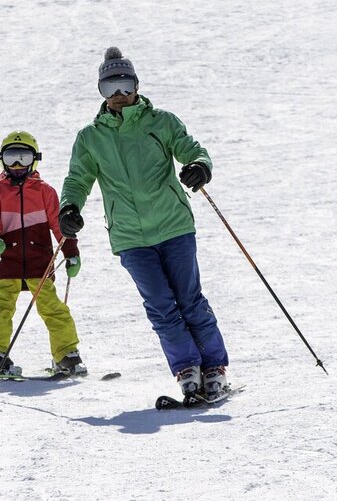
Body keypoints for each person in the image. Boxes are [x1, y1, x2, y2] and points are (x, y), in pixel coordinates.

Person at [59, 47, 230, 401]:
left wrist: (199, 166)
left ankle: (214, 367)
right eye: (109, 88)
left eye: (124, 86)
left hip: (174, 226)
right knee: (160, 306)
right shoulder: (91, 137)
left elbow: (190, 148)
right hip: (130, 236)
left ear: (136, 86)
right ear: (101, 92)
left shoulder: (162, 122)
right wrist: (70, 207)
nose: (118, 96)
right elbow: (78, 179)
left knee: (189, 300)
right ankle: (187, 368)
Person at [0, 131, 85, 377]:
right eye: (11, 157)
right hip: (6, 260)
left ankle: (66, 353)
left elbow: (59, 226)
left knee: (52, 307)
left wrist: (71, 252)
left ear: (35, 159)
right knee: (1, 308)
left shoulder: (45, 192)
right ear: (2, 160)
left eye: (24, 157)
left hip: (39, 261)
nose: (17, 164)